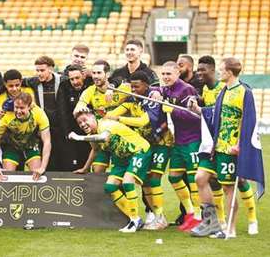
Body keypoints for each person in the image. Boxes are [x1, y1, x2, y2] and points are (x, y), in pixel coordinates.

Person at [190, 57, 259, 238]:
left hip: (230, 148)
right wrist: (200, 110)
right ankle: (211, 222)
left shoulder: (244, 92)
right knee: (200, 178)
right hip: (216, 146)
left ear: (229, 72)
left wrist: (240, 145)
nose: (219, 72)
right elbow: (216, 113)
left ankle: (231, 229)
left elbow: (249, 119)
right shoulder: (224, 91)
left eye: (221, 70)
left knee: (229, 188)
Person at [107, 71, 172, 230]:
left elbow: (144, 121)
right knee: (146, 182)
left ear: (146, 85)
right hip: (145, 144)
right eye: (132, 86)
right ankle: (155, 216)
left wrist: (119, 119)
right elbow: (111, 114)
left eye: (137, 86)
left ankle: (160, 217)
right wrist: (108, 116)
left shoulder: (152, 98)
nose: (134, 89)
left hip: (162, 143)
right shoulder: (130, 99)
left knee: (154, 179)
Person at [72, 110, 152, 233]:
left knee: (127, 182)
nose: (82, 124)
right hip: (122, 158)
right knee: (110, 187)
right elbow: (95, 150)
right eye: (79, 123)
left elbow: (104, 137)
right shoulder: (92, 135)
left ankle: (135, 220)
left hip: (138, 151)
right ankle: (134, 218)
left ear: (93, 118)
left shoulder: (104, 124)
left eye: (85, 120)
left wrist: (79, 137)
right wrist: (85, 168)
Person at [156, 61, 202, 231]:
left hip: (192, 140)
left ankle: (198, 215)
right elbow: (155, 89)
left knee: (193, 179)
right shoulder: (166, 89)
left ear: (177, 73)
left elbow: (195, 116)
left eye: (169, 74)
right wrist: (155, 92)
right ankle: (190, 213)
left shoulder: (186, 89)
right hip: (178, 141)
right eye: (163, 74)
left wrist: (172, 110)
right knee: (174, 177)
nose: (166, 77)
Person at [73, 60, 130, 174]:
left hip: (120, 140)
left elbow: (140, 92)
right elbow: (79, 107)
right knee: (97, 172)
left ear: (107, 74)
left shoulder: (123, 88)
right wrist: (79, 109)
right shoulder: (90, 91)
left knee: (119, 177)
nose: (95, 76)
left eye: (99, 73)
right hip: (102, 138)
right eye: (93, 73)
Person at [195, 55, 227, 226]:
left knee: (239, 182)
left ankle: (252, 220)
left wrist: (201, 109)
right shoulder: (206, 89)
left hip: (225, 142)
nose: (199, 73)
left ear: (213, 70)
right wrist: (197, 103)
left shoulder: (224, 88)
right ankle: (215, 221)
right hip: (210, 143)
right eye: (198, 69)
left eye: (202, 70)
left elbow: (220, 113)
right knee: (202, 178)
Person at [0, 93, 51, 181]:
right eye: (16, 107)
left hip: (30, 143)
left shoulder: (39, 113)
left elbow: (47, 141)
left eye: (22, 108)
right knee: (6, 177)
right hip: (12, 145)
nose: (18, 111)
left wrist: (42, 167)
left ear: (30, 107)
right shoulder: (6, 115)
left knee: (37, 174)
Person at [23, 56, 68, 172]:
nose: (39, 73)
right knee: (48, 162)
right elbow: (15, 81)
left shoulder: (63, 80)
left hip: (61, 128)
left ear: (51, 69)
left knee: (64, 161)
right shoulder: (34, 81)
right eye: (37, 70)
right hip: (44, 128)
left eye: (42, 70)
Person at [57, 64, 93, 172]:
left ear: (83, 75)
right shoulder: (64, 86)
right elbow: (62, 112)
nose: (75, 82)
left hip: (92, 130)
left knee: (93, 162)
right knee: (74, 164)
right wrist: (68, 132)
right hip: (74, 131)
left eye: (77, 78)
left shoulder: (91, 84)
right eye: (72, 79)